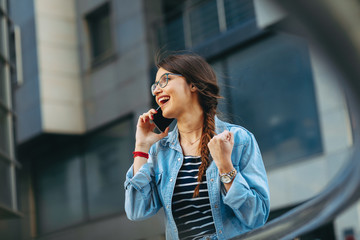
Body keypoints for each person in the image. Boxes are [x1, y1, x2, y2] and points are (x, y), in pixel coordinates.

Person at [124, 53, 270, 240]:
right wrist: (142, 147)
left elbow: (257, 217)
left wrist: (225, 166)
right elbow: (136, 210)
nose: (156, 91)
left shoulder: (238, 140)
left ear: (193, 84)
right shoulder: (161, 152)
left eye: (164, 80)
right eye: (155, 86)